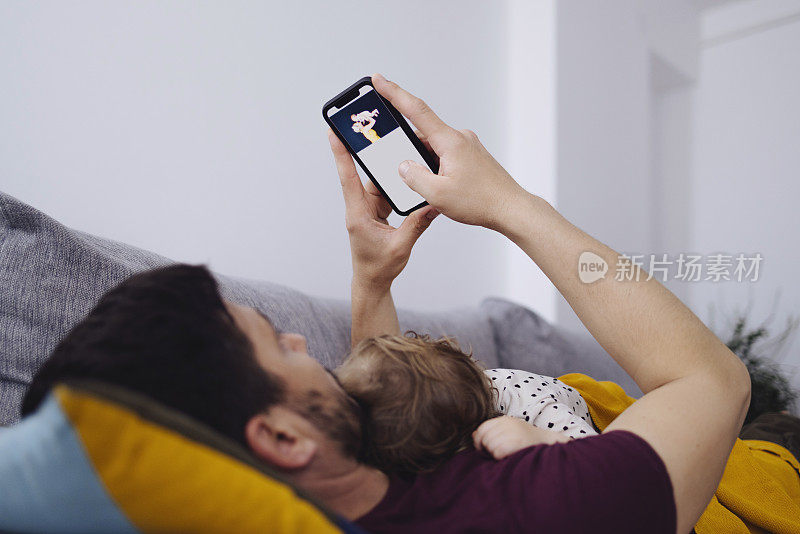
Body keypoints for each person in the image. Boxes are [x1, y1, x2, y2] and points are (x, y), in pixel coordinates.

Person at [22, 73, 753, 533]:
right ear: (280, 439)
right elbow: (710, 381)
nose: (306, 343)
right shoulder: (539, 508)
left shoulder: (329, 483)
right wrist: (507, 204)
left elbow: (380, 415)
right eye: (279, 347)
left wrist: (372, 279)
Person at [335, 332, 596, 474]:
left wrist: (542, 438)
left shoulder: (533, 407)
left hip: (600, 405)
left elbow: (599, 454)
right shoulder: (451, 396)